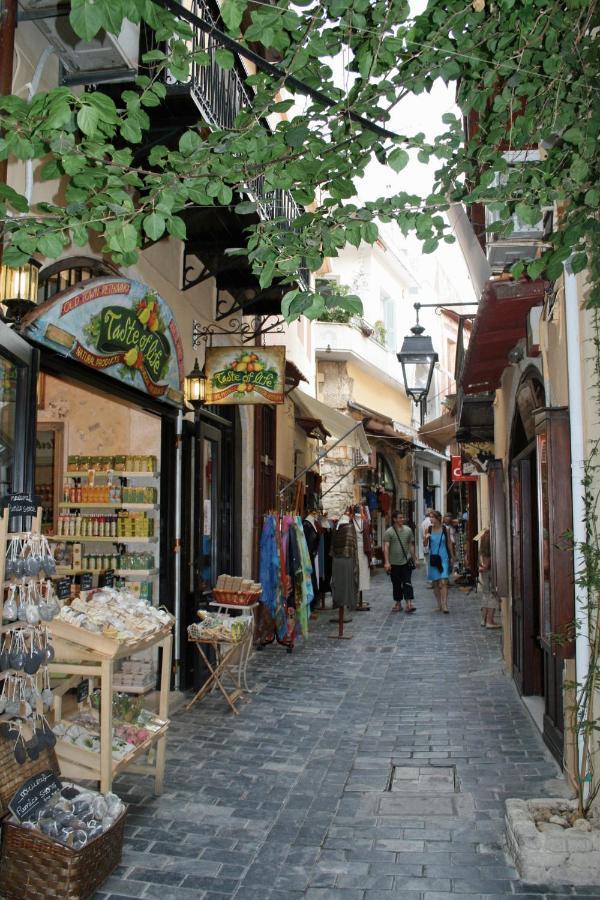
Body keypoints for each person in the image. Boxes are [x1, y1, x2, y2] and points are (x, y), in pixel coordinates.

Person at [383, 510, 418, 613]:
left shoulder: (408, 530)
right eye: (400, 518)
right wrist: (387, 562)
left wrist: (415, 559)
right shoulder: (389, 532)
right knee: (396, 584)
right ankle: (398, 603)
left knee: (407, 583)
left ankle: (409, 604)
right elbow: (386, 547)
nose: (402, 519)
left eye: (402, 517)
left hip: (406, 562)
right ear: (394, 519)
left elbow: (411, 546)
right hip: (394, 563)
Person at [424, 510, 455, 613]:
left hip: (444, 557)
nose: (430, 519)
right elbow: (424, 545)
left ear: (438, 518)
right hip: (433, 558)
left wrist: (452, 556)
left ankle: (445, 605)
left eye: (432, 517)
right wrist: (426, 538)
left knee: (443, 581)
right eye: (430, 517)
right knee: (436, 583)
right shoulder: (428, 529)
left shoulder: (445, 529)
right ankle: (439, 605)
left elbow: (449, 543)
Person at [478, 528, 501, 628]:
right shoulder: (490, 550)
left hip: (485, 574)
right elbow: (487, 565)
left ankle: (483, 619)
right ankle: (490, 620)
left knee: (485, 595)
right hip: (491, 573)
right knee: (493, 596)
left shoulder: (482, 549)